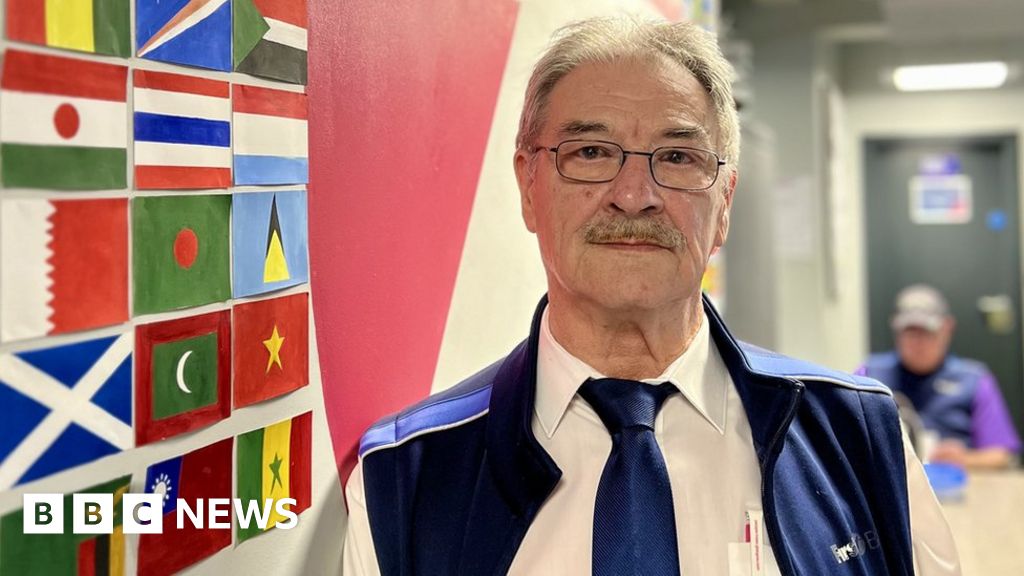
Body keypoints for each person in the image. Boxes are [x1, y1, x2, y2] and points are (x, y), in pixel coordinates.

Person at [343, 17, 959, 576]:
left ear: (724, 205)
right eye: (590, 152)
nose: (634, 194)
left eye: (678, 156)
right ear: (529, 186)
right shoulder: (407, 476)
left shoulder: (860, 436)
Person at [857, 284, 1021, 470]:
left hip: (952, 489)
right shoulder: (868, 375)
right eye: (910, 331)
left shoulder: (974, 380)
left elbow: (1002, 455)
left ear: (947, 328)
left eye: (927, 331)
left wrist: (965, 459)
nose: (918, 342)